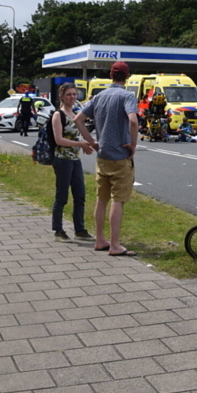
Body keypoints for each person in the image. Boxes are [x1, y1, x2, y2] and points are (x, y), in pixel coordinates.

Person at [74, 61, 138, 257]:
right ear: (127, 77)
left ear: (111, 76)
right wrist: (133, 145)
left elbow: (78, 119)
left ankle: (100, 239)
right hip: (120, 155)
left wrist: (91, 141)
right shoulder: (127, 96)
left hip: (102, 155)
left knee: (101, 199)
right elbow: (133, 120)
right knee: (118, 200)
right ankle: (115, 244)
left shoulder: (99, 96)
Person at [50, 83, 95, 242]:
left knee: (80, 195)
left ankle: (80, 230)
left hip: (75, 160)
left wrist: (84, 143)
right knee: (62, 196)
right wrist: (80, 144)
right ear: (62, 96)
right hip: (62, 160)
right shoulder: (58, 115)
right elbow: (59, 140)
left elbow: (75, 136)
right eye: (69, 94)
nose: (72, 97)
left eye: (74, 94)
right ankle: (58, 230)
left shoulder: (75, 114)